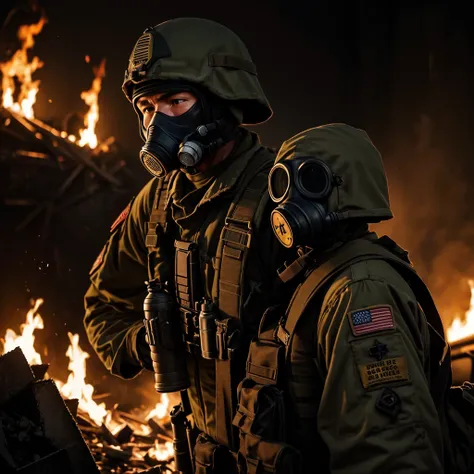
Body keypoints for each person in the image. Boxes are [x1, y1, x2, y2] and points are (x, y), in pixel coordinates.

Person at [83, 17, 288, 470]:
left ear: (222, 103)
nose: (157, 122)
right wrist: (145, 342)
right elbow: (102, 302)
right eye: (146, 107)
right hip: (202, 454)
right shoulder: (156, 202)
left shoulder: (283, 195)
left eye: (175, 101)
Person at [233, 123, 453, 474]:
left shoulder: (360, 290)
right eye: (281, 185)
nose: (289, 202)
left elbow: (389, 454)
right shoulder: (320, 275)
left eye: (309, 182)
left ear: (349, 188)